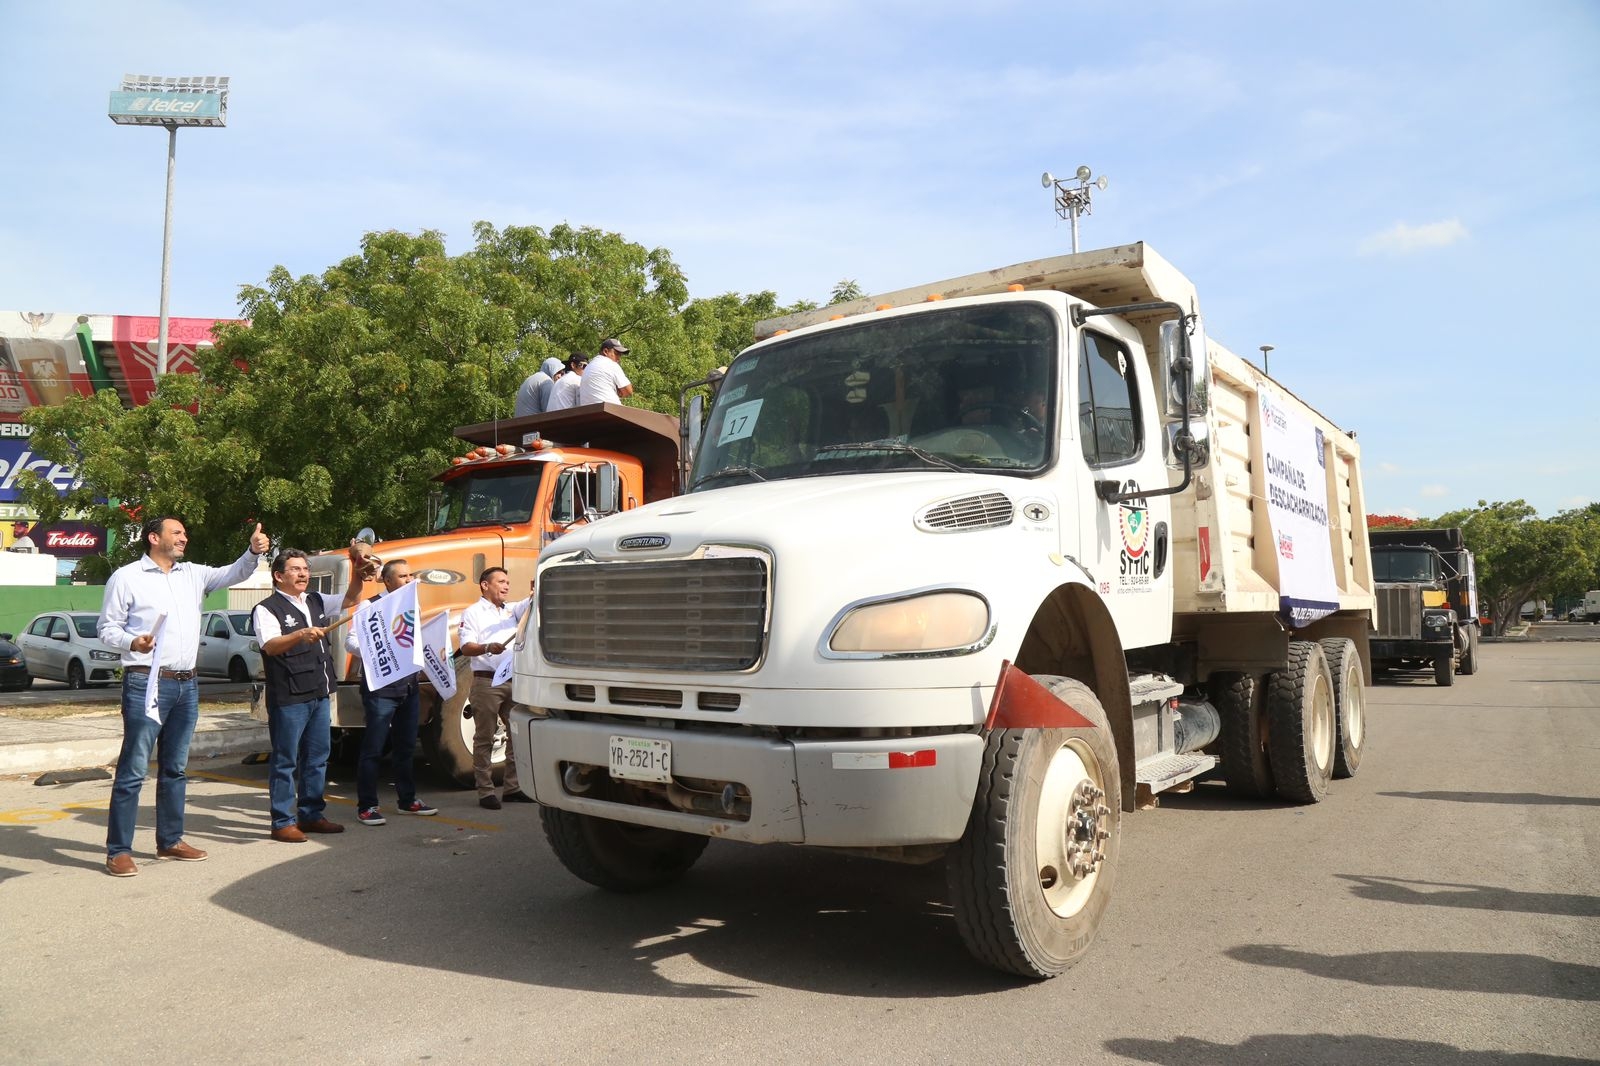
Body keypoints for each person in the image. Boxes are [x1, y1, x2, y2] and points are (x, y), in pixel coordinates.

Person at [98, 516, 270, 877]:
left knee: (175, 768)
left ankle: (171, 840)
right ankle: (119, 851)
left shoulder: (193, 574)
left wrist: (252, 552)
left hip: (187, 684)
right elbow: (107, 628)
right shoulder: (127, 577)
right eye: (176, 532)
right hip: (146, 682)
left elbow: (233, 573)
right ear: (153, 537)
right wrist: (132, 641)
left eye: (184, 533)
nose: (184, 537)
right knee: (133, 769)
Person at [342, 545, 438, 826]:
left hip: (408, 687)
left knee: (407, 746)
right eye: (403, 576)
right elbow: (351, 642)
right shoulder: (369, 606)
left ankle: (407, 800)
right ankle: (367, 806)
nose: (409, 581)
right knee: (373, 748)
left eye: (411, 576)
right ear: (387, 580)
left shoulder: (413, 605)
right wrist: (378, 649)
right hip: (381, 688)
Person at [254, 548, 343, 842]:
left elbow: (352, 598)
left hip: (319, 691)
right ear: (279, 576)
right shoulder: (266, 608)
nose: (303, 573)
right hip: (290, 696)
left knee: (317, 757)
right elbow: (270, 645)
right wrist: (299, 635)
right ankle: (282, 821)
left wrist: (356, 567)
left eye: (305, 568)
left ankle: (312, 814)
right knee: (285, 761)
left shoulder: (315, 600)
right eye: (295, 569)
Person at [457, 566, 534, 810]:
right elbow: (467, 647)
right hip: (487, 683)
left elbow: (532, 601)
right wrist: (487, 647)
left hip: (513, 680)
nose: (506, 586)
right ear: (485, 585)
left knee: (516, 736)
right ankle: (485, 791)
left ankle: (512, 788)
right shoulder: (473, 613)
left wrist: (538, 586)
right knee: (484, 738)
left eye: (508, 582)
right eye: (501, 581)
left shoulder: (511, 610)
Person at [576, 338, 633, 406]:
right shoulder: (610, 364)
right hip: (608, 411)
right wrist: (619, 391)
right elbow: (628, 391)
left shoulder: (588, 366)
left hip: (588, 412)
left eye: (620, 355)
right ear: (605, 351)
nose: (618, 358)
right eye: (616, 353)